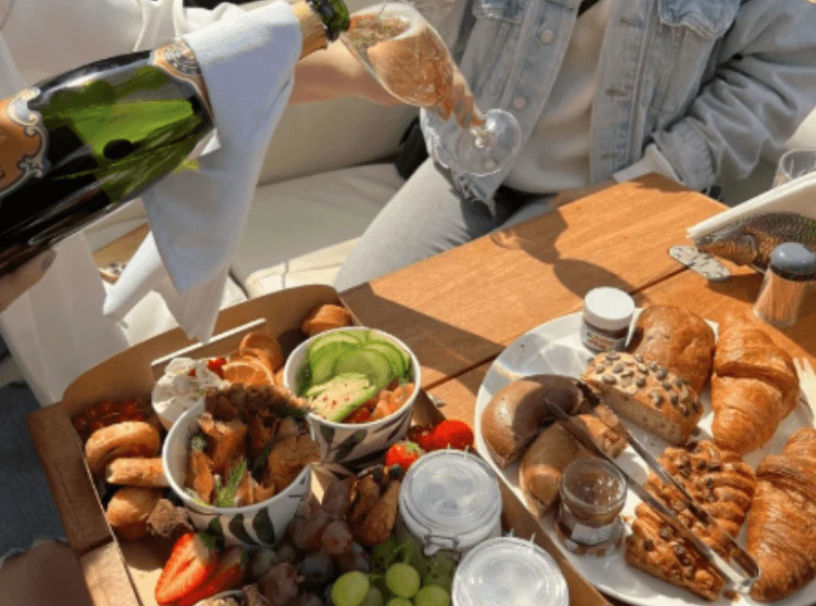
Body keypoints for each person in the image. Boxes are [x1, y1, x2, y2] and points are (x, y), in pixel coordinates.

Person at [293, 0, 816, 290]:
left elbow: (781, 69)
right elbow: (422, 22)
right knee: (355, 312)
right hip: (469, 168)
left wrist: (639, 181)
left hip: (630, 195)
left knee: (504, 352)